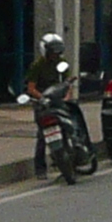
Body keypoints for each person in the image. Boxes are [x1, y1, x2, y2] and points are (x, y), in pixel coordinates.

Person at [23, 31, 87, 167]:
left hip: (58, 99)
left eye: (57, 52)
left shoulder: (61, 63)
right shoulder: (37, 66)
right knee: (42, 134)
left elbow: (67, 82)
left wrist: (67, 96)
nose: (55, 55)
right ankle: (40, 166)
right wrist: (42, 99)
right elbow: (31, 89)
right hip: (43, 102)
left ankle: (78, 145)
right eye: (52, 52)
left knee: (74, 120)